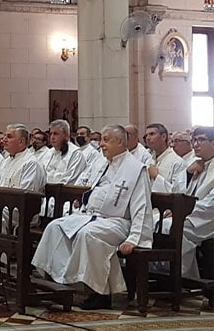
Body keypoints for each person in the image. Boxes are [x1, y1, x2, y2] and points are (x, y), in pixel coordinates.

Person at [32, 124, 153, 310]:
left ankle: (99, 293)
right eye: (102, 140)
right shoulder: (103, 164)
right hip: (92, 216)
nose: (101, 144)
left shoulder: (136, 169)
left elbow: (141, 205)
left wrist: (135, 238)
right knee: (55, 227)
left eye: (106, 140)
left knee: (88, 235)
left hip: (118, 222)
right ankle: (57, 283)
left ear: (120, 142)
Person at [181, 127, 214, 278]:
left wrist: (181, 210)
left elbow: (210, 204)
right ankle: (168, 278)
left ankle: (184, 280)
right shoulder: (199, 164)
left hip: (206, 219)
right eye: (194, 140)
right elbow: (179, 191)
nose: (195, 144)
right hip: (192, 215)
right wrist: (188, 174)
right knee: (156, 224)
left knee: (173, 229)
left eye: (201, 140)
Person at [0, 124, 46, 193]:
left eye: (9, 137)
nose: (4, 140)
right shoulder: (5, 162)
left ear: (21, 141)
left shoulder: (31, 164)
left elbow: (25, 196)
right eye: (5, 136)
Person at [144, 123, 186, 193]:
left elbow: (177, 193)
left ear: (163, 137)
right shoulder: (149, 159)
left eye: (152, 134)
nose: (147, 138)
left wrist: (156, 177)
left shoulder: (177, 162)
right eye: (146, 135)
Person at [43, 119, 87, 184]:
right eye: (51, 134)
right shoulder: (48, 152)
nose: (52, 137)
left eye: (56, 134)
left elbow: (71, 180)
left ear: (66, 136)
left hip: (65, 192)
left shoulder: (76, 153)